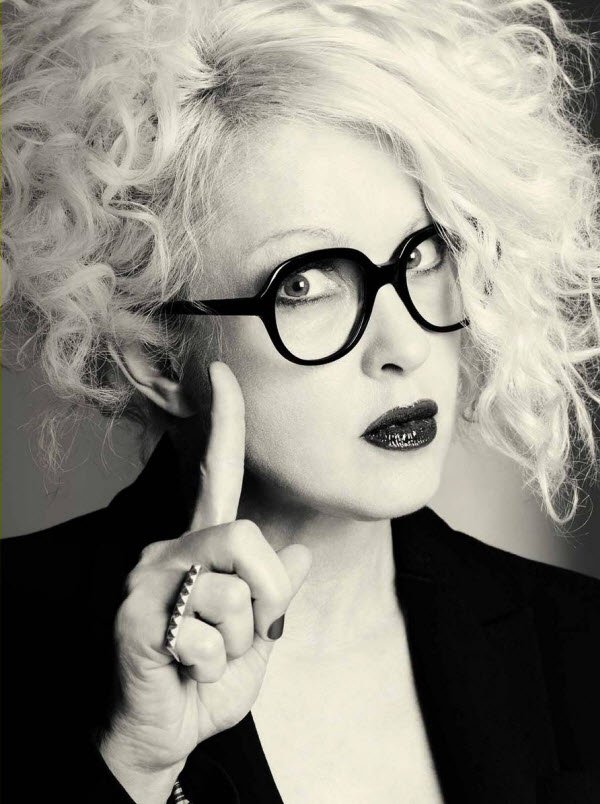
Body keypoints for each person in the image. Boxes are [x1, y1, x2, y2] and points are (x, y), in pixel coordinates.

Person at [2, 0, 600, 801]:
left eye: (421, 255)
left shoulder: (577, 643)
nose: (402, 345)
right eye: (305, 284)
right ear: (155, 356)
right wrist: (135, 766)